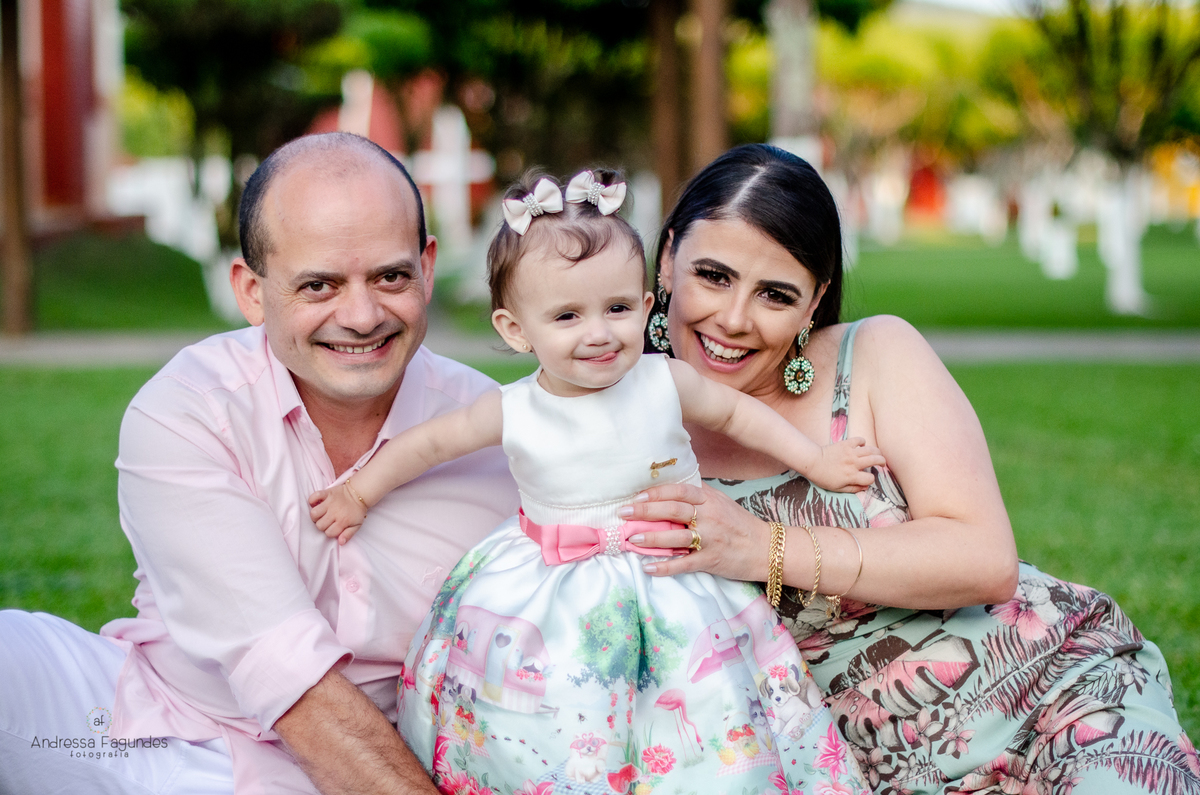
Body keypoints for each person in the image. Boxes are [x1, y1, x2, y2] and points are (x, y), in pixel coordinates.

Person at [616, 144, 1200, 795]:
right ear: (667, 258)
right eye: (713, 276)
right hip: (860, 771)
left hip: (1049, 696)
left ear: (815, 302)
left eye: (775, 295)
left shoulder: (875, 355)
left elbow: (983, 558)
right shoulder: (611, 424)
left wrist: (762, 546)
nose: (733, 319)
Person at [310, 169, 876, 794]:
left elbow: (742, 416)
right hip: (552, 590)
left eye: (618, 308)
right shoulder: (515, 409)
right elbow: (427, 445)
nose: (599, 332)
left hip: (676, 583)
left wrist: (817, 461)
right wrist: (357, 492)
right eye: (567, 315)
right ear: (515, 330)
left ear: (646, 305)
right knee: (554, 716)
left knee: (708, 707)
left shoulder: (664, 382)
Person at [0, 132, 520, 795]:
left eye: (390, 277)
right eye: (319, 285)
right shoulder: (188, 408)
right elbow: (283, 670)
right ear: (251, 291)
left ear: (427, 266)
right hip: (153, 722)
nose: (362, 316)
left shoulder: (503, 437)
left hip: (351, 769)